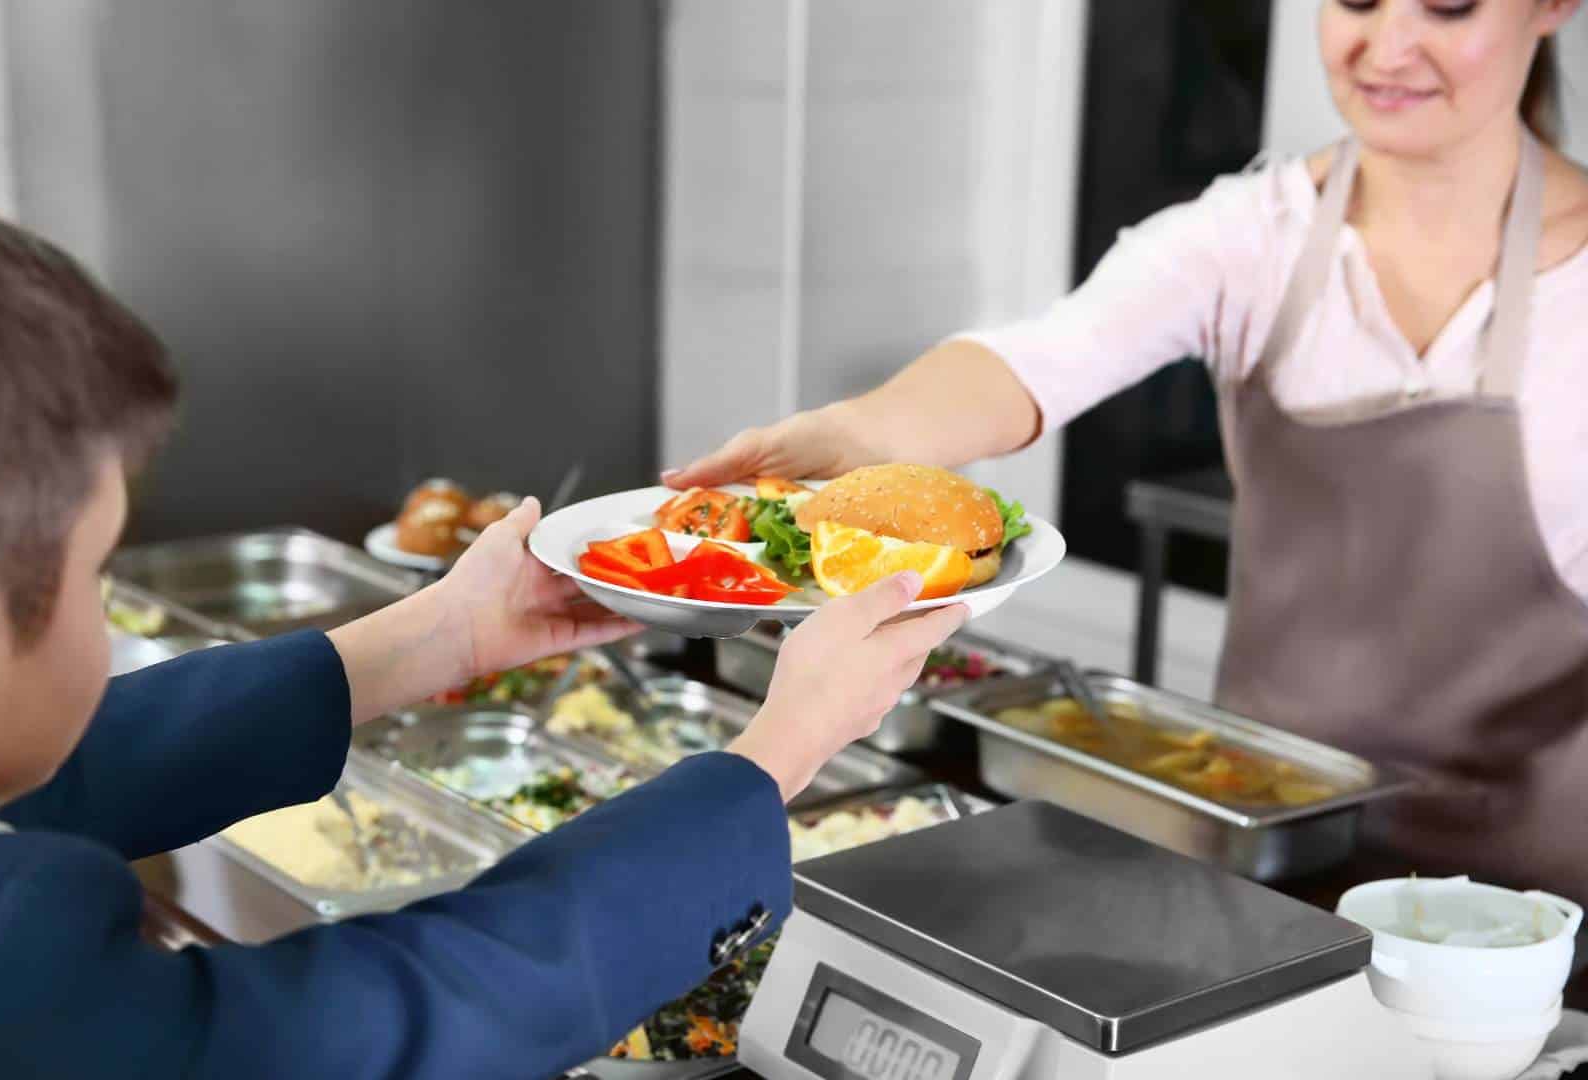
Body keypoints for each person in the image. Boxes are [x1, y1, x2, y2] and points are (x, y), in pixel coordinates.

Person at [0, 174, 967, 1080]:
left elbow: (4, 778)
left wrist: (430, 641)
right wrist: (772, 757)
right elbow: (399, 1022)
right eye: (93, 579)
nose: (100, 613)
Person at [670, 0, 1588, 899]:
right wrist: (857, 433)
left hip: (1537, 898)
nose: (1388, 46)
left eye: (1448, 7)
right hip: (1264, 841)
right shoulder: (1254, 236)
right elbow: (1039, 359)